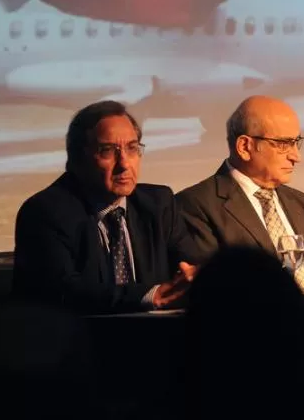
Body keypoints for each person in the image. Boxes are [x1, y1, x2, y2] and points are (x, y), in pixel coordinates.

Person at [12, 101, 197, 313]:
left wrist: (194, 275)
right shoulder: (45, 212)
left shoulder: (159, 204)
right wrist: (152, 296)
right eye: (108, 151)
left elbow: (193, 265)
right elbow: (63, 292)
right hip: (76, 341)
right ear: (77, 158)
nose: (125, 164)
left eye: (132, 148)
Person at [176, 96, 304, 288]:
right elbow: (216, 289)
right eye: (283, 144)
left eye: (296, 142)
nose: (297, 156)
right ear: (245, 147)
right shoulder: (196, 205)